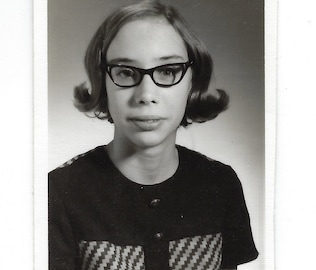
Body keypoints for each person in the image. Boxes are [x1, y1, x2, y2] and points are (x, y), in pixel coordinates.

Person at [48, 1, 259, 269]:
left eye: (168, 71)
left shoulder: (221, 184)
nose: (146, 95)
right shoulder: (58, 192)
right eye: (125, 72)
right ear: (102, 83)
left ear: (193, 82)